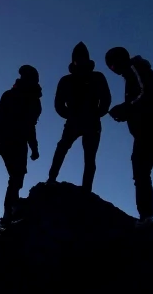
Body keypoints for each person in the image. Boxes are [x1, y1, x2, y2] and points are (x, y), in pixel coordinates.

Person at [105, 46, 153, 229]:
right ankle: (146, 217)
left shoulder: (136, 69)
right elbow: (140, 102)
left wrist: (125, 108)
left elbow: (146, 94)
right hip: (149, 129)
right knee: (141, 171)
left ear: (118, 61)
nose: (113, 70)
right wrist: (126, 113)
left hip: (152, 128)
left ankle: (146, 218)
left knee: (141, 170)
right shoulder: (132, 73)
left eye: (112, 65)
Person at [47, 42, 112, 193]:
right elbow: (58, 103)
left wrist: (97, 113)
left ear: (87, 59)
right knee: (62, 148)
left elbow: (106, 98)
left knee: (90, 157)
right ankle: (51, 179)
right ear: (73, 61)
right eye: (77, 59)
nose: (80, 61)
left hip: (92, 122)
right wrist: (69, 115)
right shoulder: (66, 80)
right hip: (73, 122)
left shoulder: (97, 77)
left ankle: (86, 190)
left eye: (83, 58)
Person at [0, 64, 42, 225]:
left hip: (18, 143)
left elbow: (30, 126)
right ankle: (10, 211)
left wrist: (34, 148)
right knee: (16, 176)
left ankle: (11, 209)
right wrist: (0, 141)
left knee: (17, 176)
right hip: (9, 141)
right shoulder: (9, 96)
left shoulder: (33, 102)